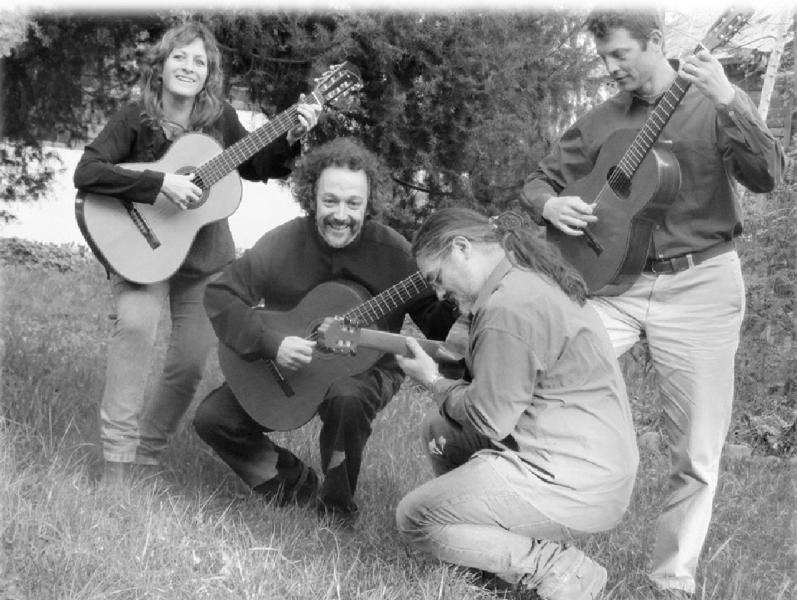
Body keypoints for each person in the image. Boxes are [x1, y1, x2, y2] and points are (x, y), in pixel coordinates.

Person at [520, 9, 784, 598]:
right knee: (551, 393)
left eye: (620, 55)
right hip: (613, 287)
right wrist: (549, 207)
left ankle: (672, 579)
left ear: (658, 43)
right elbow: (538, 180)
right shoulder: (601, 119)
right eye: (604, 58)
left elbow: (769, 176)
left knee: (695, 448)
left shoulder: (712, 98)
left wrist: (731, 103)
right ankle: (529, 546)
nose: (611, 69)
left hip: (701, 284)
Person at [73, 21, 322, 484]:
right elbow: (87, 173)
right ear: (162, 65)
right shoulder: (134, 117)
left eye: (200, 62)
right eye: (180, 57)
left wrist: (291, 138)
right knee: (135, 330)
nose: (189, 67)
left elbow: (255, 165)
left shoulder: (220, 119)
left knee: (189, 361)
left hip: (204, 261)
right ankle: (117, 465)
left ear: (209, 75)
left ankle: (147, 456)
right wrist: (159, 182)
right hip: (142, 252)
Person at [192, 137, 458, 526]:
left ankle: (335, 508)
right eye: (330, 201)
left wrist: (452, 293)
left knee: (346, 397)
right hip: (287, 361)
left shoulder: (394, 252)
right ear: (311, 195)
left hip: (368, 368)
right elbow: (221, 296)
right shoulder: (285, 241)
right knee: (213, 419)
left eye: (354, 203)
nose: (340, 214)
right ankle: (292, 484)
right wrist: (271, 343)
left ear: (369, 204)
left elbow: (439, 325)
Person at [394, 207, 639, 600]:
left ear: (462, 248)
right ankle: (493, 558)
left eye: (436, 278)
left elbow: (488, 419)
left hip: (573, 482)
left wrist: (434, 382)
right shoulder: (525, 281)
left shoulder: (507, 306)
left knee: (415, 518)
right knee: (442, 431)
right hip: (592, 467)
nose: (438, 293)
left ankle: (559, 570)